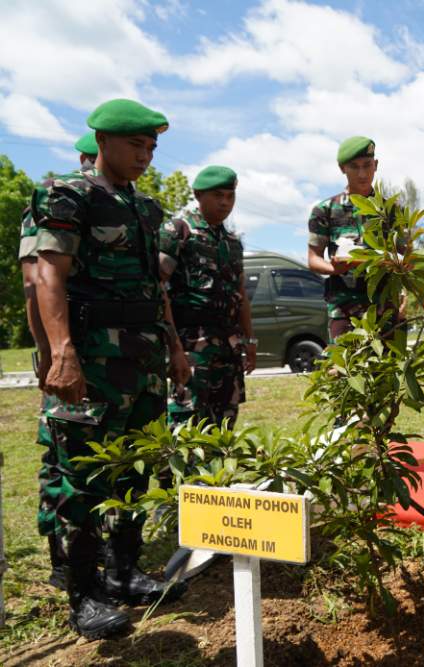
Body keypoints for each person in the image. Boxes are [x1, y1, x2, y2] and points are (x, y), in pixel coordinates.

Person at [32, 99, 191, 639]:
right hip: (93, 362)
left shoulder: (146, 208)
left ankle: (124, 571)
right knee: (83, 478)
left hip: (143, 363)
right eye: (135, 144)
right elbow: (48, 276)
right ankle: (84, 593)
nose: (145, 155)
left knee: (135, 469)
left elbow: (156, 287)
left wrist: (174, 348)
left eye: (151, 147)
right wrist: (61, 353)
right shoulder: (68, 195)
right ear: (101, 141)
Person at [19, 130, 108, 591]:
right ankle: (62, 558)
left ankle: (93, 552)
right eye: (91, 160)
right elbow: (34, 284)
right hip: (66, 349)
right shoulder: (55, 203)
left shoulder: (115, 206)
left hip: (102, 352)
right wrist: (48, 353)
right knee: (62, 457)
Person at [160, 166, 255, 429]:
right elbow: (158, 289)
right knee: (186, 427)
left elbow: (240, 294)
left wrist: (250, 340)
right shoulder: (178, 231)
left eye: (230, 196)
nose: (225, 202)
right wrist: (174, 348)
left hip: (227, 348)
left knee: (224, 428)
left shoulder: (232, 242)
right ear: (198, 195)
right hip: (191, 346)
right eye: (218, 195)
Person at [307, 136, 403, 343]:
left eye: (367, 165)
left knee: (390, 363)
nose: (362, 174)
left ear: (376, 165)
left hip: (385, 308)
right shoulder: (325, 210)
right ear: (343, 168)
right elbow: (313, 259)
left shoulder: (392, 211)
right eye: (354, 167)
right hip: (344, 309)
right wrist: (334, 269)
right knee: (345, 363)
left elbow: (407, 257)